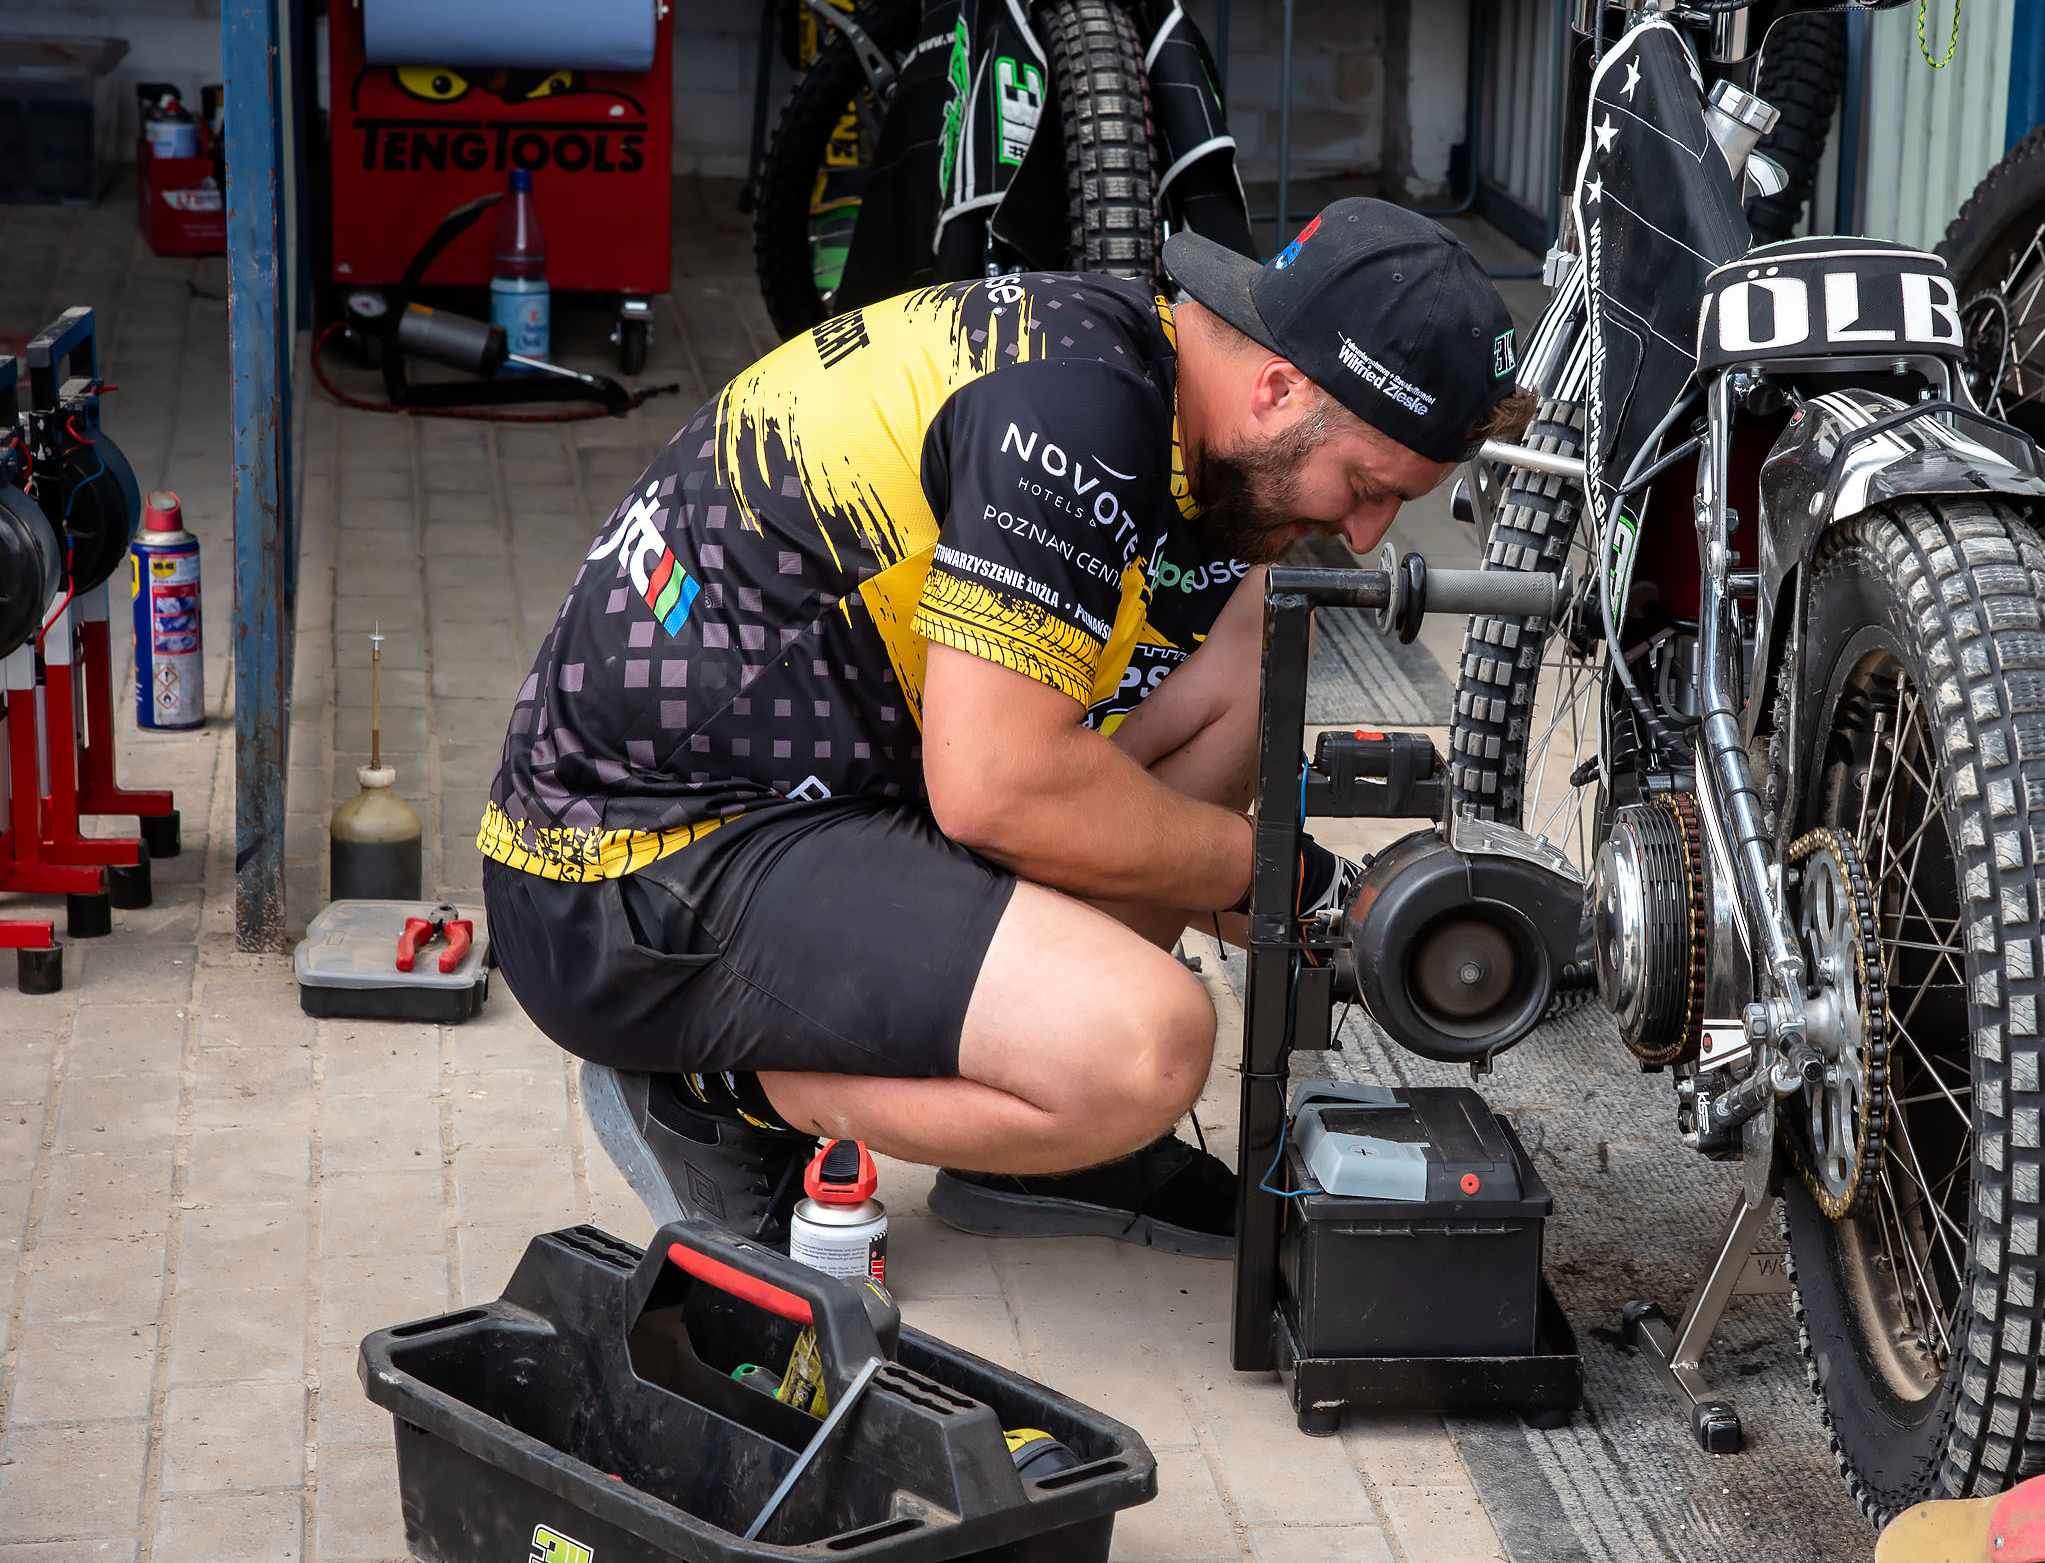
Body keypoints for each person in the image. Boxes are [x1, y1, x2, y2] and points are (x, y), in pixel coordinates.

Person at [482, 199, 1531, 1256]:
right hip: (620, 872)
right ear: (1277, 386)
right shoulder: (1073, 419)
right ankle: (720, 1092)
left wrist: (1287, 891)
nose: (1365, 532)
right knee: (1154, 1045)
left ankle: (1028, 1148)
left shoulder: (1161, 384)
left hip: (807, 791)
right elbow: (998, 787)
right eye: (1363, 485)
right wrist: (1282, 877)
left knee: (1236, 633)